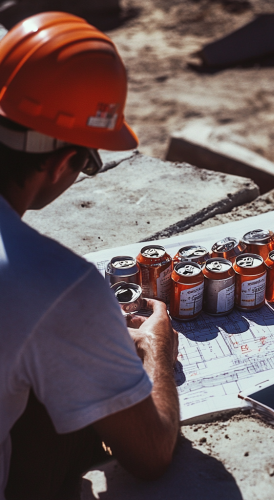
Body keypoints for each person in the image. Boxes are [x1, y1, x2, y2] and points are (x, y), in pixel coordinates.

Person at [0, 12, 180, 500]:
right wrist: (157, 351)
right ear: (64, 162)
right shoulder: (55, 283)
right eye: (89, 160)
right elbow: (152, 452)